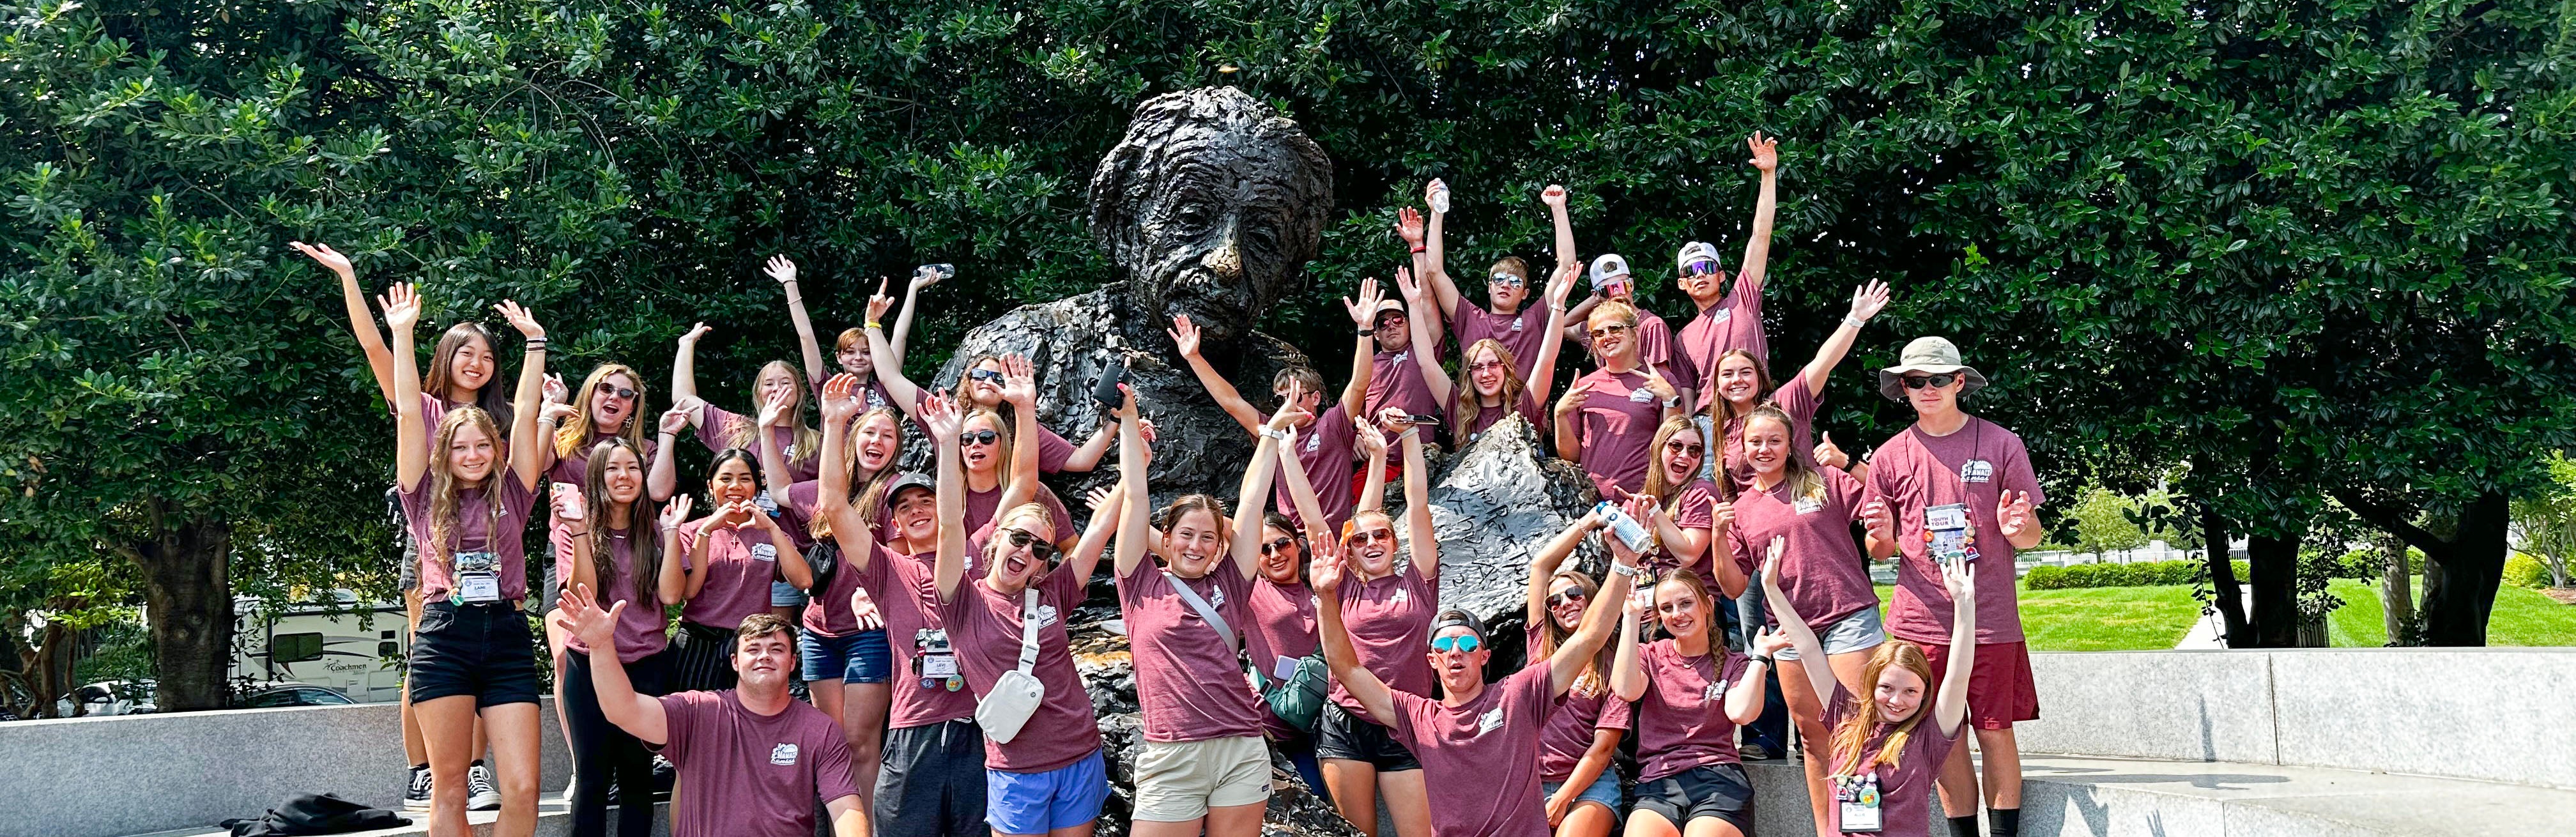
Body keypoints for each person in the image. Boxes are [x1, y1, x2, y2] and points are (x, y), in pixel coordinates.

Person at [296, 242, 505, 810]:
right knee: (429, 659)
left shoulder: (502, 423)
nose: (476, 364)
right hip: (431, 555)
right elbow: (371, 344)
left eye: (486, 356)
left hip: (492, 560)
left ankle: (477, 770)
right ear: (446, 358)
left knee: (485, 666)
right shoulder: (423, 406)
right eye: (466, 354)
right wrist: (348, 275)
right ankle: (423, 770)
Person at [1312, 503, 1643, 837]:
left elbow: (1588, 638)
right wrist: (1326, 596)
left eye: (1468, 645)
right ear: (1432, 661)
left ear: (1485, 657)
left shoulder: (1517, 695)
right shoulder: (1417, 716)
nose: (1456, 652)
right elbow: (1348, 669)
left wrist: (1623, 565)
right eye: (1443, 647)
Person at [1862, 337, 2044, 837]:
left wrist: (2016, 528)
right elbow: (1882, 549)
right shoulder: (1888, 456)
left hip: (1990, 616)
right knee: (1942, 738)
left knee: (1994, 730)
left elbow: (2030, 536)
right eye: (1916, 381)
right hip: (1918, 621)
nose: (1927, 389)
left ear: (1959, 382)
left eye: (1938, 379)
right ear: (1904, 388)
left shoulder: (2004, 443)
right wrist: (1879, 536)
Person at [384, 289, 548, 836]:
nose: (473, 454)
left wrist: (535, 345)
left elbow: (526, 413)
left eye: (483, 446)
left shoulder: (516, 492)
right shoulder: (421, 492)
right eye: (461, 447)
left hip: (506, 634)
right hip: (445, 636)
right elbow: (411, 409)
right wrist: (403, 333)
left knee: (524, 789)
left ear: (495, 451)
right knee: (450, 789)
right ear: (443, 453)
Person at [929, 390, 1126, 837]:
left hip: (1079, 753)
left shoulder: (1053, 591)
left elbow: (1101, 528)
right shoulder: (961, 600)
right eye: (1018, 538)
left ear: (1044, 561)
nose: (1026, 551)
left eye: (1040, 548)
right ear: (995, 539)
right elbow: (948, 526)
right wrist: (946, 445)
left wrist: (1136, 450)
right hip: (1018, 768)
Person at [814, 374, 994, 837]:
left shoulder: (975, 556)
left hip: (978, 727)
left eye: (925, 500)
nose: (916, 509)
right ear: (894, 521)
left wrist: (951, 442)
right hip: (915, 731)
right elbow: (834, 506)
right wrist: (835, 424)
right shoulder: (890, 571)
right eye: (905, 506)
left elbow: (955, 524)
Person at [1109, 389, 1285, 837]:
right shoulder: (1140, 582)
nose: (1196, 546)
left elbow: (1251, 504)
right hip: (1172, 754)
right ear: (1165, 538)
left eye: (1208, 538)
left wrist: (1273, 432)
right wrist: (1129, 422)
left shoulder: (1229, 582)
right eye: (1186, 534)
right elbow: (1134, 498)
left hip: (1241, 749)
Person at [558, 592, 868, 837]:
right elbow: (622, 710)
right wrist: (600, 646)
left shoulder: (819, 728)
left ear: (792, 662)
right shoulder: (697, 711)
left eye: (776, 649)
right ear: (735, 662)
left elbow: (844, 808)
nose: (764, 656)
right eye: (753, 648)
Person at [1718, 406, 1893, 834]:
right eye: (1755, 442)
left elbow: (1889, 493)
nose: (1764, 449)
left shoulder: (1822, 480)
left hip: (1847, 616)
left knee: (1856, 728)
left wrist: (1849, 463)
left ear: (1791, 443)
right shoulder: (1741, 508)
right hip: (1791, 631)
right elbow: (1734, 587)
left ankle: (1864, 830)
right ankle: (1829, 830)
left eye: (1774, 440)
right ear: (1743, 448)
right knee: (1814, 738)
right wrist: (1718, 537)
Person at [1278, 411, 1438, 837]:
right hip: (1345, 724)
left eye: (1381, 536)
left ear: (1395, 542)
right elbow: (1312, 521)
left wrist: (1408, 440)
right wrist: (1287, 453)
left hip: (1405, 721)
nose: (1371, 543)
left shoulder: (1419, 583)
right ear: (1348, 551)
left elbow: (1418, 504)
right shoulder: (1342, 583)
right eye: (1360, 539)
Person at [1763, 542, 1978, 837]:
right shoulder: (1845, 718)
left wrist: (1965, 607)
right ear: (1871, 684)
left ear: (1925, 693)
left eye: (1911, 692)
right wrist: (1772, 589)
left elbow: (1957, 676)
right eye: (1887, 687)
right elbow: (1808, 647)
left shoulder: (1928, 737)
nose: (1896, 700)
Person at [1175, 275, 1383, 532]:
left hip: (1333, 536)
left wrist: (1365, 330)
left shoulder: (1333, 423)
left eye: (1296, 395)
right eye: (1279, 399)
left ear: (1315, 398)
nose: (1288, 405)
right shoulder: (1273, 430)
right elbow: (1231, 402)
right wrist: (1194, 358)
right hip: (1288, 541)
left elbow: (1359, 384)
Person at [550, 440, 682, 837]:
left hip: (646, 665)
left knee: (637, 777)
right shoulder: (573, 529)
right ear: (596, 476)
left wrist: (674, 535)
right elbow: (582, 594)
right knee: (591, 779)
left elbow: (672, 596)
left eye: (632, 468)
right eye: (612, 468)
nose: (623, 476)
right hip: (589, 664)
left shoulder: (656, 532)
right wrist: (579, 533)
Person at [799, 387, 918, 813]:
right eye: (870, 432)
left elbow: (904, 555)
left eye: (888, 436)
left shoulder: (893, 494)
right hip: (817, 630)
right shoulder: (834, 488)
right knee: (833, 745)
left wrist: (872, 592)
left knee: (860, 743)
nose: (877, 442)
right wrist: (833, 419)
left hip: (867, 634)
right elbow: (779, 488)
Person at [862, 286, 1120, 476]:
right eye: (980, 374)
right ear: (967, 382)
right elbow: (889, 376)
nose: (988, 381)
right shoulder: (944, 415)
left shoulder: (1022, 426)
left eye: (998, 377)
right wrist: (872, 324)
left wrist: (1116, 420)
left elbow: (1081, 460)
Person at [1610, 564, 1772, 837]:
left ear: (1708, 604)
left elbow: (1742, 713)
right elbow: (1626, 690)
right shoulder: (1650, 655)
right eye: (1667, 608)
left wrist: (1761, 658)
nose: (1678, 615)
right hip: (1658, 782)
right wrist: (1631, 619)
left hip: (1718, 778)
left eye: (1686, 603)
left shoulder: (1734, 663)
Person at [1706, 280, 1890, 492]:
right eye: (1728, 374)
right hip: (1756, 522)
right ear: (1718, 386)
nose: (1737, 379)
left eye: (1746, 372)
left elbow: (1823, 363)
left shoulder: (1784, 402)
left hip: (1806, 511)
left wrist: (1855, 319)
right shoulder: (1720, 430)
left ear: (1760, 378)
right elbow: (1731, 492)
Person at [1523, 509, 1641, 837]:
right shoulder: (1540, 649)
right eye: (1555, 601)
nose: (1565, 603)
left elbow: (1603, 748)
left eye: (1574, 594)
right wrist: (1587, 523)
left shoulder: (1616, 664)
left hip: (1588, 785)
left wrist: (1562, 798)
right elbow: (1540, 568)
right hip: (1529, 782)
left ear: (1591, 599)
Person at [666, 449, 814, 692]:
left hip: (752, 646)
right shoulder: (691, 531)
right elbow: (689, 591)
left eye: (745, 479)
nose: (735, 486)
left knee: (748, 725)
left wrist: (774, 531)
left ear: (757, 487)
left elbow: (804, 580)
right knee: (695, 723)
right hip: (699, 645)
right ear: (711, 486)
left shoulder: (769, 533)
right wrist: (706, 531)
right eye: (725, 479)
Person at [1401, 181, 1580, 380]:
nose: (1505, 285)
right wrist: (1437, 212)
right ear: (1489, 286)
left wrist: (1558, 208)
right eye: (1500, 279)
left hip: (1525, 410)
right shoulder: (1470, 318)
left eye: (1515, 282)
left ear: (1525, 294)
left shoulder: (1534, 319)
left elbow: (1566, 267)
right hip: (1474, 411)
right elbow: (1434, 271)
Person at [1396, 262, 1573, 445]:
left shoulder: (1524, 407)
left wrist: (1558, 306)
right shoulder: (1459, 408)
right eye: (1478, 367)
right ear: (1470, 373)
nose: (1486, 373)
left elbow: (1546, 362)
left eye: (1493, 365)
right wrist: (1413, 305)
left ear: (1505, 368)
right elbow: (1427, 364)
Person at [1674, 134, 1784, 410]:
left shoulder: (1743, 298)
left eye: (1707, 267)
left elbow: (1761, 234)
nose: (1700, 275)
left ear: (1722, 275)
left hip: (1757, 415)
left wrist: (1769, 174)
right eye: (1691, 271)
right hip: (1709, 426)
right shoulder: (1683, 338)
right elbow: (1687, 400)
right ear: (1682, 283)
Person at [1555, 300, 1687, 496]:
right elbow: (1571, 456)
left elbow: (1673, 446)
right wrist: (1560, 414)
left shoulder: (1663, 381)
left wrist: (1670, 399)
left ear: (1634, 335)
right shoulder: (1583, 386)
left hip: (1642, 500)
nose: (1607, 337)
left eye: (1615, 329)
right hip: (1592, 504)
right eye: (1599, 333)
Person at [772, 254, 927, 413]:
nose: (858, 357)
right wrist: (790, 284)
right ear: (839, 357)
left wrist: (913, 289)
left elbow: (900, 336)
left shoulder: (886, 388)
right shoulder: (828, 387)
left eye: (866, 352)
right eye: (850, 352)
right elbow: (806, 336)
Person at [1244, 509, 1328, 795]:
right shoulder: (1250, 590)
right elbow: (1190, 553)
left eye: (1282, 544)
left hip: (1318, 727)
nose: (1275, 554)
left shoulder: (1321, 588)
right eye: (1264, 549)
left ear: (1298, 543)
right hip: (1264, 727)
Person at [1563, 252, 1686, 399]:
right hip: (1610, 403)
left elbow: (1664, 381)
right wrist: (1596, 298)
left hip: (1643, 406)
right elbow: (1561, 326)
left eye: (1622, 285)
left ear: (1632, 285)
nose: (1617, 293)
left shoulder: (1651, 325)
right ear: (1597, 295)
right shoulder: (1600, 329)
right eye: (1608, 290)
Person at [1630, 417, 1723, 583]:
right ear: (1657, 448)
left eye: (1694, 450)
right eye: (1676, 446)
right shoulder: (1641, 497)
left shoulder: (1701, 492)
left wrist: (1655, 510)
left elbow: (1688, 555)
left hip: (1687, 597)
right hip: (1642, 598)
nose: (1685, 455)